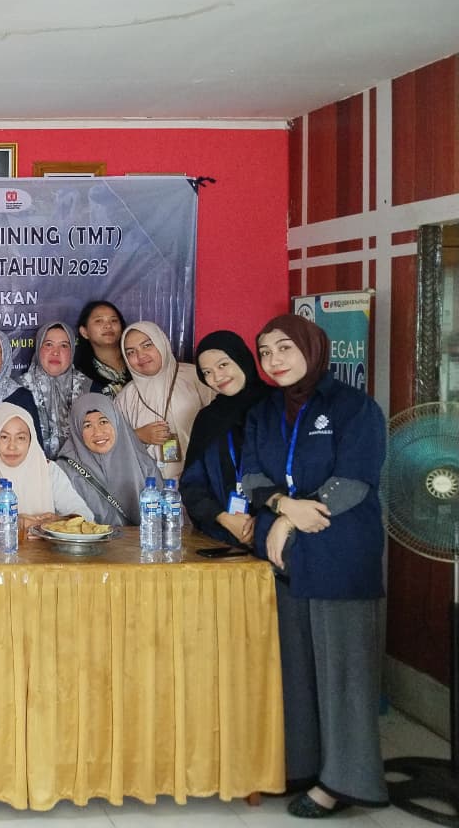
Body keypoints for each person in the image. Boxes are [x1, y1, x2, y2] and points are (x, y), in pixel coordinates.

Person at [243, 315, 388, 817]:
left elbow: (354, 480)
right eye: (265, 352)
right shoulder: (264, 411)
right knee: (295, 671)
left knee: (343, 675)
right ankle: (300, 765)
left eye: (284, 348)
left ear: (311, 347)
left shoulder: (353, 407)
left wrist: (293, 516)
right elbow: (252, 476)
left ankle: (343, 782)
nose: (274, 360)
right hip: (285, 561)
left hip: (338, 555)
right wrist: (282, 508)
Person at [180, 330, 270, 547]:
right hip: (221, 538)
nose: (217, 377)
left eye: (223, 365)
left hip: (277, 538)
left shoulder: (278, 407)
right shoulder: (208, 418)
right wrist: (224, 519)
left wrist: (264, 523)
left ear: (241, 358)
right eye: (207, 372)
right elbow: (192, 484)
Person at [0, 403, 91, 532]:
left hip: (43, 548)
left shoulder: (48, 469)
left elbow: (85, 515)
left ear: (31, 440)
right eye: (4, 437)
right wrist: (11, 521)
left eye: (20, 438)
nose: (12, 446)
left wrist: (57, 521)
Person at [115, 321, 215, 480]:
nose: (141, 356)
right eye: (131, 352)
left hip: (200, 481)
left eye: (147, 345)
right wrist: (136, 436)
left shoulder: (196, 378)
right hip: (148, 487)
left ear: (161, 342)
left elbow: (221, 427)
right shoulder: (125, 397)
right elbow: (112, 447)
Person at [56, 393, 160, 526]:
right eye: (87, 425)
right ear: (76, 429)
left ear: (116, 421)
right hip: (89, 539)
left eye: (103, 422)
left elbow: (167, 513)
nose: (98, 432)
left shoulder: (142, 462)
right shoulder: (64, 470)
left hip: (144, 538)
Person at [22, 321, 92, 457]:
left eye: (64, 346)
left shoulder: (89, 388)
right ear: (38, 348)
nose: (55, 352)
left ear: (72, 351)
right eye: (49, 344)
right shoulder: (17, 390)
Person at [73, 300, 130, 397]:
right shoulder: (79, 375)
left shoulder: (137, 359)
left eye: (114, 320)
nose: (108, 326)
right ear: (84, 332)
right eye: (98, 321)